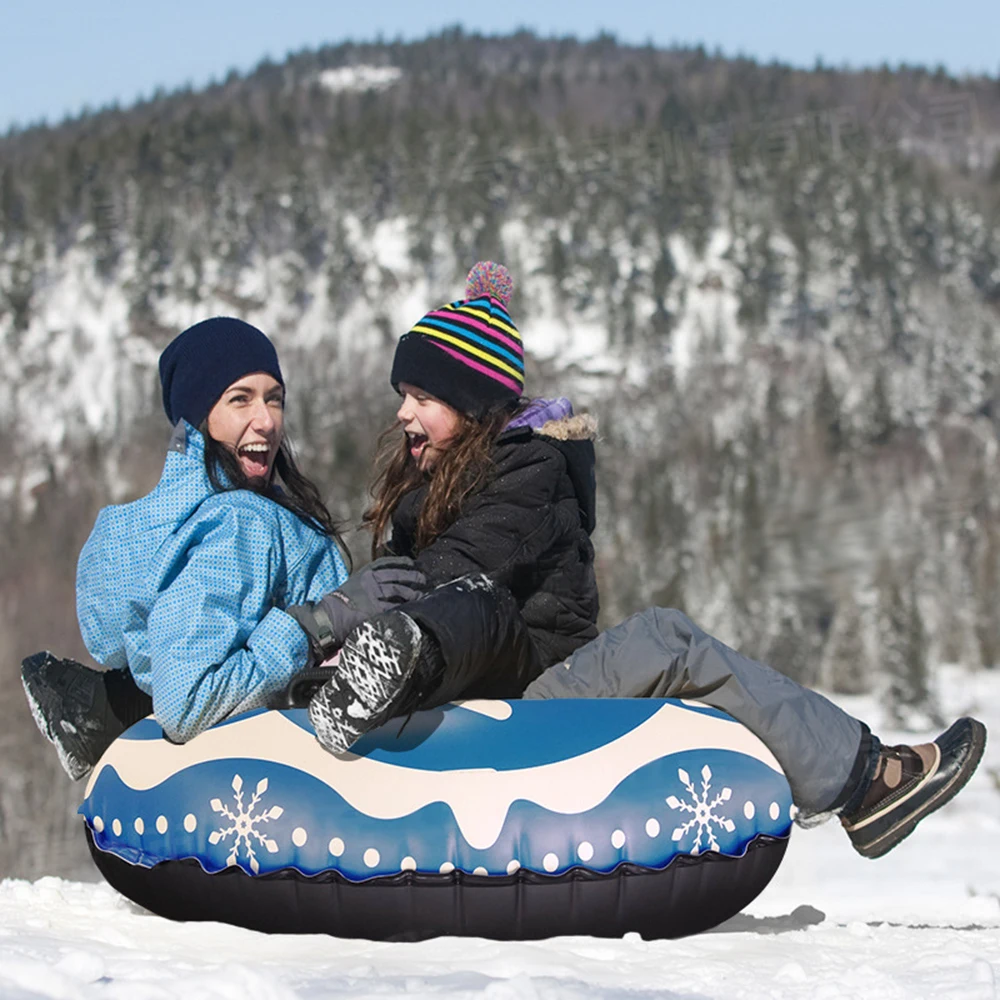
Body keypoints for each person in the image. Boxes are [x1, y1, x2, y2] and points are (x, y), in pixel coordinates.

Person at [293, 262, 986, 860]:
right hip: (468, 680)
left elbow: (461, 567)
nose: (406, 416)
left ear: (475, 407)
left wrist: (370, 623)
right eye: (404, 399)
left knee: (658, 636)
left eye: (424, 399)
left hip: (533, 683)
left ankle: (866, 780)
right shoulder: (428, 482)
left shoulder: (527, 468)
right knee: (467, 605)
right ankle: (367, 677)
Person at [22, 316, 428, 778]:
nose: (267, 420)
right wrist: (318, 622)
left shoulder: (197, 518)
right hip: (278, 791)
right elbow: (189, 702)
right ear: (200, 418)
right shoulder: (239, 524)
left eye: (274, 399)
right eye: (241, 400)